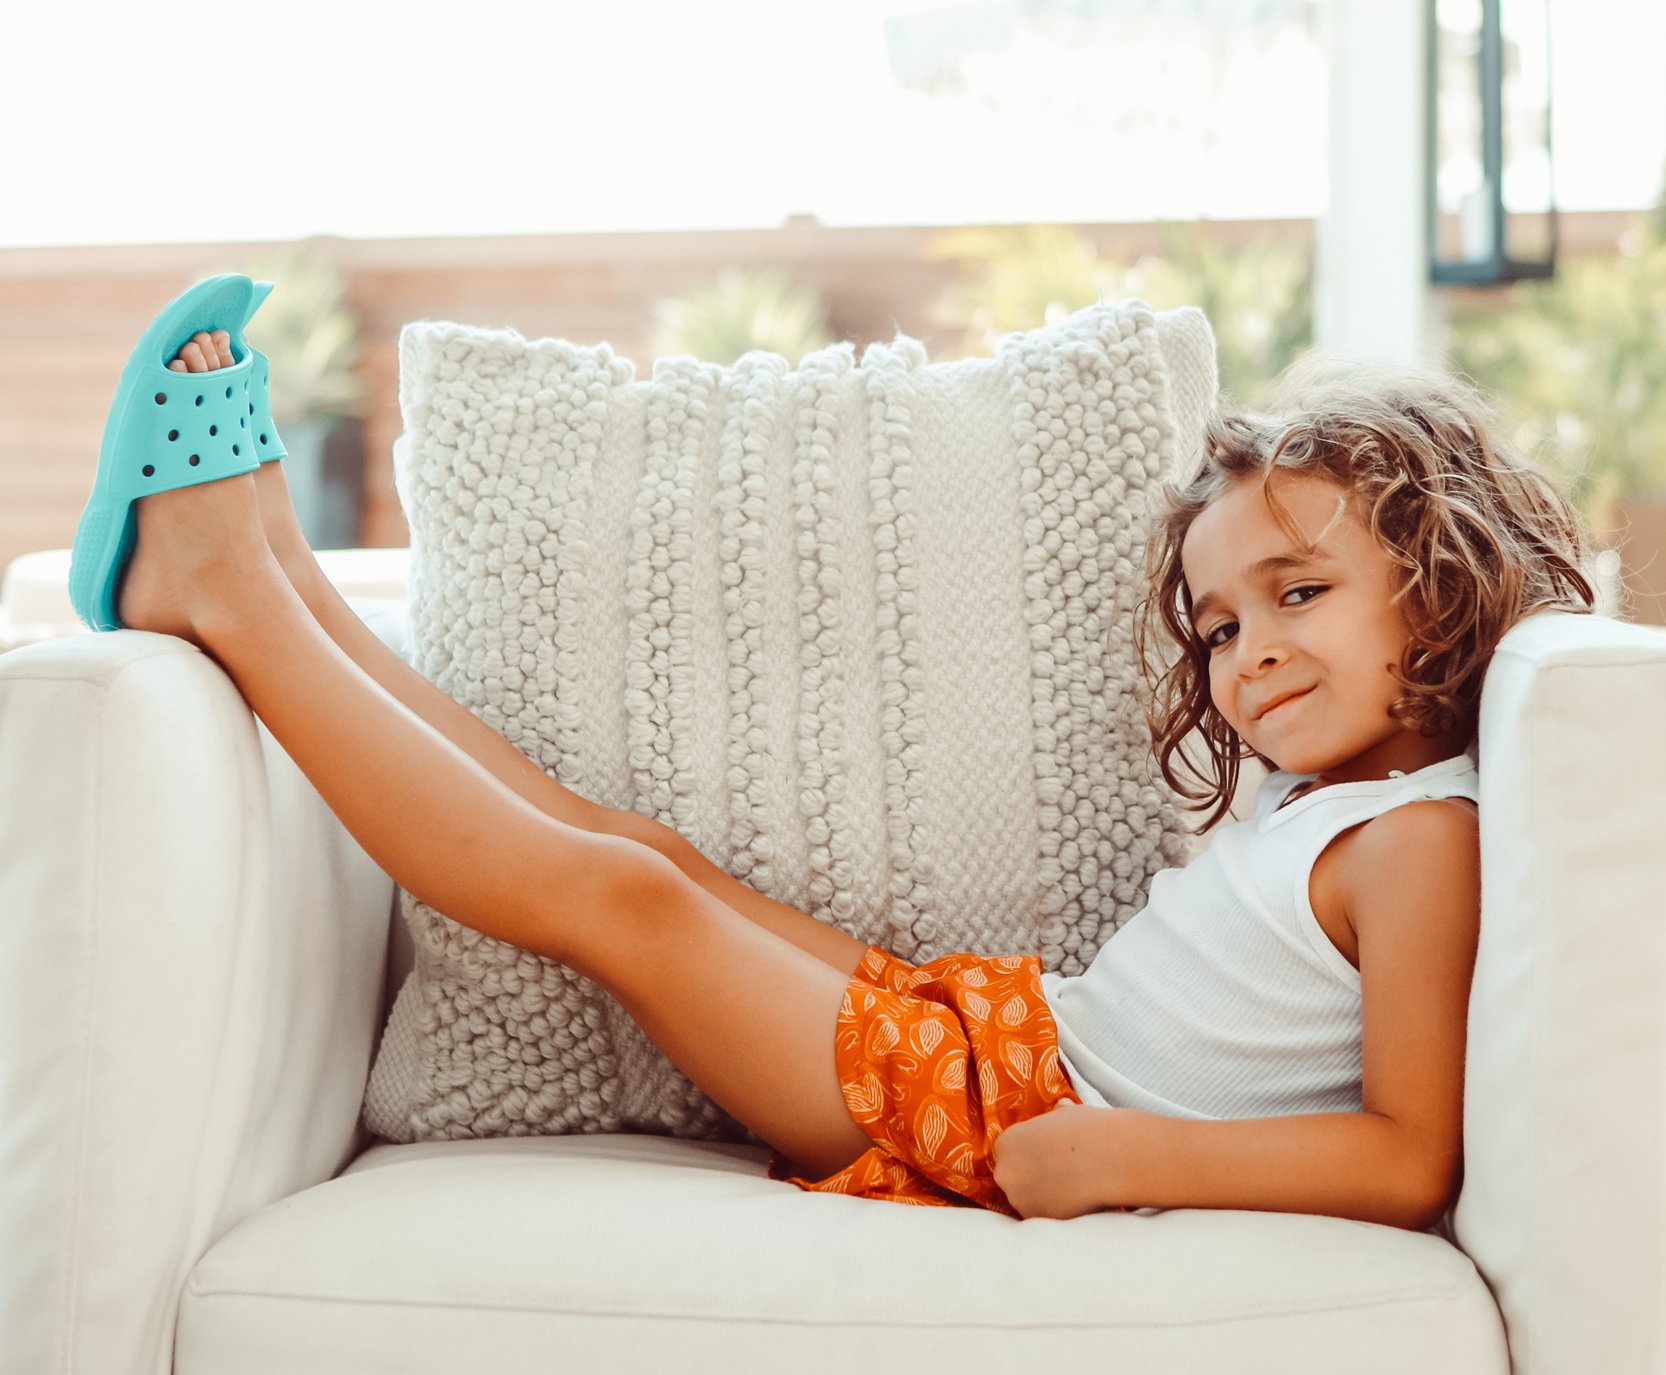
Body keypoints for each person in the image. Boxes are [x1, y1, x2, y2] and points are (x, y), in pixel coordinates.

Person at [99, 323, 1594, 1228]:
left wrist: (1123, 1160)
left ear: (1438, 577)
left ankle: (225, 594)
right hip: (1001, 1033)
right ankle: (277, 580)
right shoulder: (1327, 797)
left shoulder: (1419, 842)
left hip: (1004, 1112)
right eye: (1213, 623)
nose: (1243, 652)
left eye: (1295, 594)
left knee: (619, 895)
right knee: (650, 856)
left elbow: (1405, 1158)